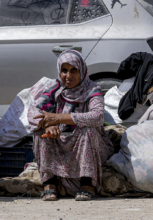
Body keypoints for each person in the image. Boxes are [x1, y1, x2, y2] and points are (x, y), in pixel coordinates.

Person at [28, 50, 114, 201]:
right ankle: (50, 184)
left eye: (74, 70)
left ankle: (87, 184)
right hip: (61, 141)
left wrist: (59, 118)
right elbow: (33, 111)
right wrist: (48, 124)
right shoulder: (55, 88)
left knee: (88, 129)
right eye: (64, 71)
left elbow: (98, 116)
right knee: (39, 131)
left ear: (82, 71)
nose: (68, 76)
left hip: (87, 143)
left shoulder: (92, 89)